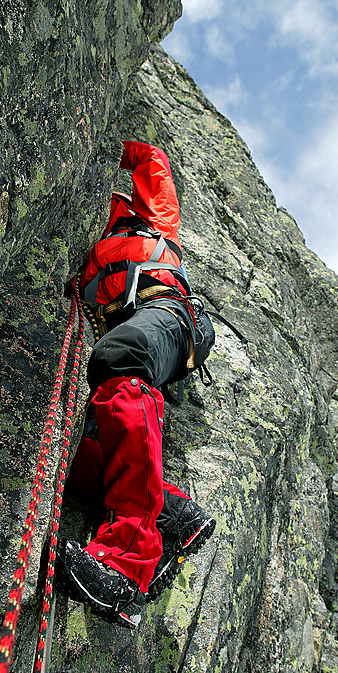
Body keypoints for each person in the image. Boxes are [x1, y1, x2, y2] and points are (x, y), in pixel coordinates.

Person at [58, 141, 216, 630]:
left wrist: (107, 144)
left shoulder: (154, 222)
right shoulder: (93, 243)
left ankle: (127, 566)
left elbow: (152, 162)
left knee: (118, 356)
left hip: (169, 316)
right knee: (80, 459)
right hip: (138, 326)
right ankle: (173, 514)